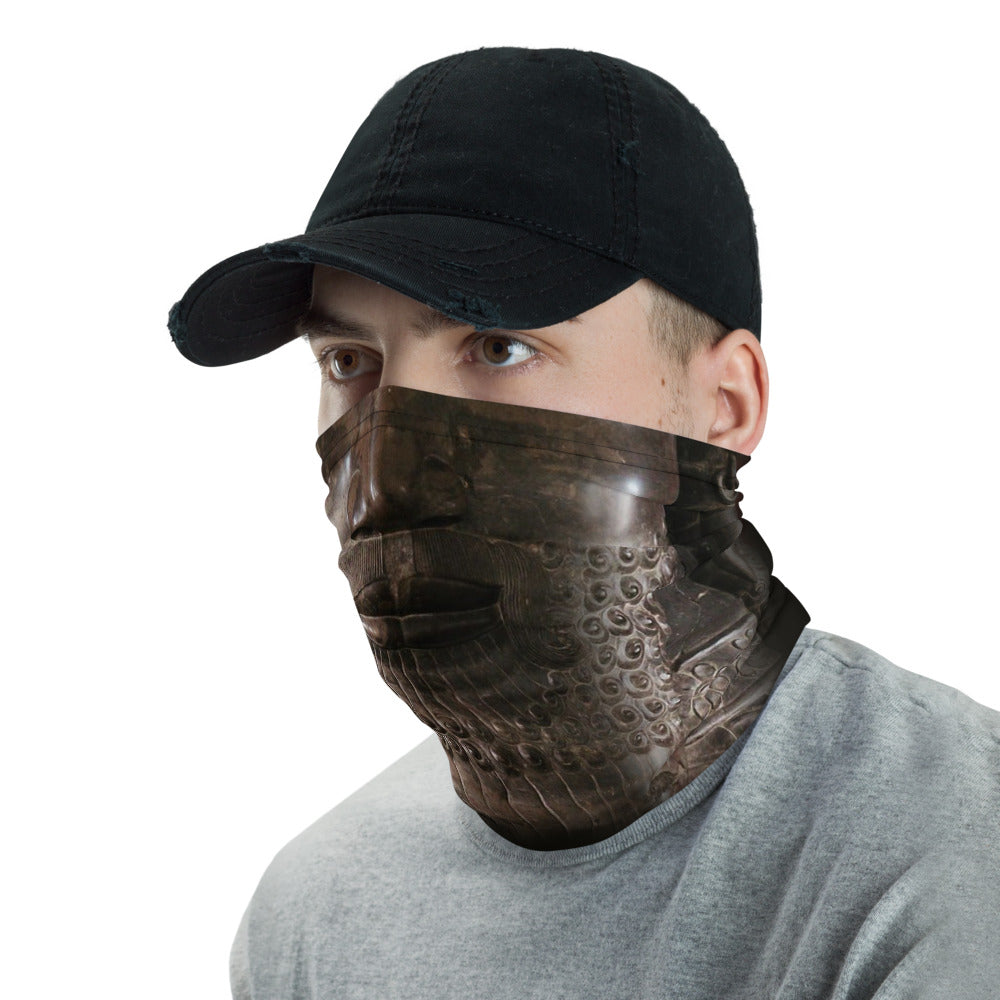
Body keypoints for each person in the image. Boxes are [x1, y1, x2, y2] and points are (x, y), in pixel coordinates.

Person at [170, 47, 1000, 999]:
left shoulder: (942, 851)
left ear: (726, 403)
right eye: (349, 362)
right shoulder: (316, 914)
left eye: (499, 345)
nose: (391, 472)